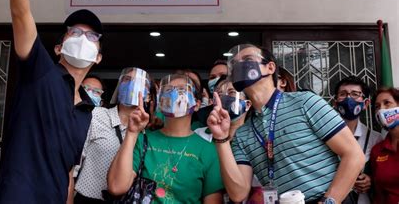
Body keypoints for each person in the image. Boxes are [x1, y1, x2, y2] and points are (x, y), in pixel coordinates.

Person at [0, 0, 102, 203]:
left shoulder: (88, 110)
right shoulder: (40, 72)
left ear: (99, 57)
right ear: (58, 47)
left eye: (92, 37)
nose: (83, 38)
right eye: (75, 32)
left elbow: (67, 170)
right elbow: (20, 11)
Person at [207, 44, 365, 204]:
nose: (239, 65)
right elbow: (238, 194)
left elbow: (354, 155)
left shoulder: (305, 102)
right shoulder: (243, 133)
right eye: (234, 63)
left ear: (270, 67)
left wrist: (330, 201)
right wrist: (221, 139)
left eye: (247, 59)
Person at [107, 74, 224, 203]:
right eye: (168, 90)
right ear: (161, 101)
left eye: (182, 90)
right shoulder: (143, 140)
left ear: (196, 104)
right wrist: (132, 132)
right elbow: (116, 187)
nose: (174, 94)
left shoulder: (208, 150)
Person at [74, 68, 153, 203]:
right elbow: (73, 164)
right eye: (127, 80)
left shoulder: (149, 133)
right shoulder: (96, 115)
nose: (133, 85)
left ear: (148, 96)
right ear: (119, 87)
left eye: (141, 83)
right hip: (88, 199)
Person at [333, 76, 382, 204]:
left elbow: (384, 174)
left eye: (355, 94)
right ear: (335, 103)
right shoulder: (325, 137)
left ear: (365, 104)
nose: (349, 98)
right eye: (343, 94)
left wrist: (370, 180)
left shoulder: (375, 138)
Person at [370, 87, 399, 204]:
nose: (381, 109)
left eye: (387, 103)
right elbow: (379, 193)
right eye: (377, 106)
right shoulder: (377, 150)